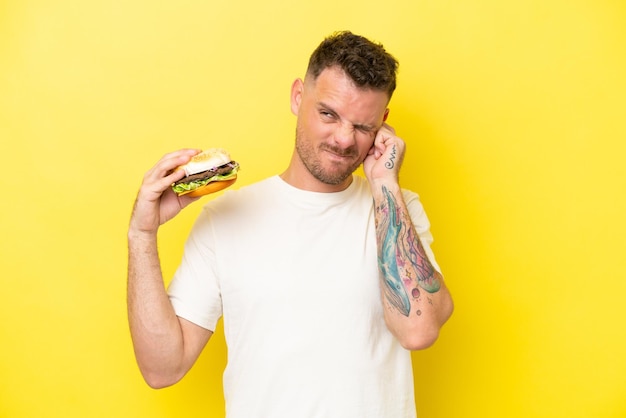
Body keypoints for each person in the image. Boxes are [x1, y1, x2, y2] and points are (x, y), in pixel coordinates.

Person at [127, 31, 453, 418]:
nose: (344, 139)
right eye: (328, 114)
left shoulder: (398, 210)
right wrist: (142, 234)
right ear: (299, 97)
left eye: (363, 127)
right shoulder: (226, 219)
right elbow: (162, 367)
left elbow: (418, 331)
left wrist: (384, 182)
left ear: (383, 125)